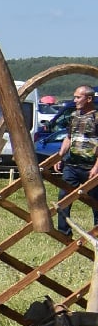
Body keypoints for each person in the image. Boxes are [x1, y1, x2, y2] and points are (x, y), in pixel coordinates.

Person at [52, 86, 98, 236]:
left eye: (78, 97)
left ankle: (97, 232)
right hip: (72, 165)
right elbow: (68, 138)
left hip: (91, 166)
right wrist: (60, 157)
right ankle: (64, 234)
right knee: (64, 198)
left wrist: (96, 167)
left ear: (89, 99)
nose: (75, 100)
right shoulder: (74, 116)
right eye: (75, 97)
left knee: (96, 202)